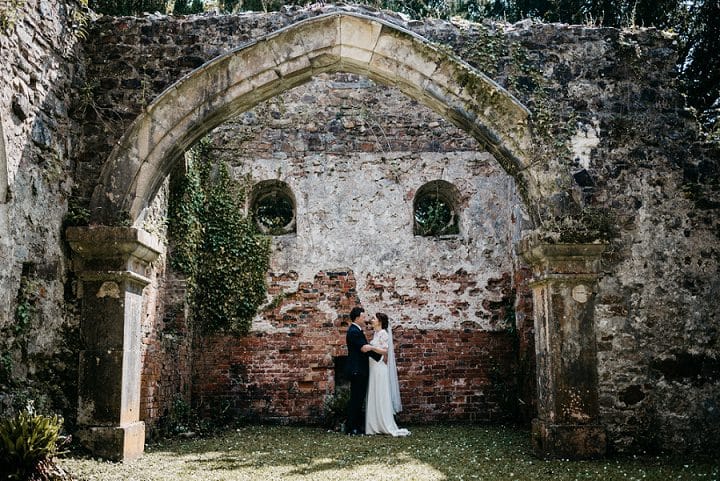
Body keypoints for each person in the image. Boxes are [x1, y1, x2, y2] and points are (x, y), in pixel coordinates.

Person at [361, 312, 410, 436]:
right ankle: (374, 425)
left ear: (380, 322)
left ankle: (383, 423)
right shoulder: (376, 334)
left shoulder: (383, 333)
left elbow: (384, 351)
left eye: (374, 318)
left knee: (380, 394)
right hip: (373, 367)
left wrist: (371, 348)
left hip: (379, 367)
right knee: (374, 393)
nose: (372, 320)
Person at [345, 306, 381, 435]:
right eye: (363, 316)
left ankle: (355, 426)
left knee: (358, 398)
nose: (365, 319)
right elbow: (364, 348)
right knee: (356, 399)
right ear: (357, 317)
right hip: (357, 370)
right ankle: (352, 427)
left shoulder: (357, 330)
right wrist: (380, 355)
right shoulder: (354, 331)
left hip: (359, 369)